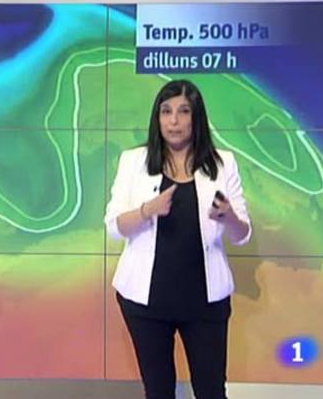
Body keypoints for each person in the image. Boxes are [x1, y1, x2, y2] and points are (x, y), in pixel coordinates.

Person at [104, 79, 252, 399]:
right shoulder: (134, 162)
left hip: (205, 301)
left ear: (196, 118)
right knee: (158, 391)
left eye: (184, 111)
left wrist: (229, 217)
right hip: (145, 301)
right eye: (166, 111)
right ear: (157, 118)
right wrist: (147, 210)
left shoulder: (223, 163)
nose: (174, 121)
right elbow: (114, 227)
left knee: (211, 391)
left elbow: (242, 235)